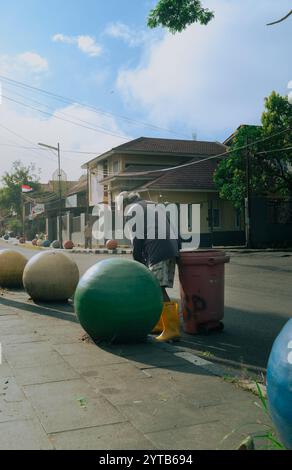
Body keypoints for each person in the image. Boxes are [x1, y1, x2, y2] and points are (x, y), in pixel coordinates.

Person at [120, 191, 180, 342]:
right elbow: (173, 228)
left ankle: (171, 331)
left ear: (124, 204)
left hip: (158, 251)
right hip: (171, 248)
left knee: (158, 289)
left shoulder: (132, 211)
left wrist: (138, 264)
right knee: (157, 288)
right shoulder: (152, 206)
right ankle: (160, 325)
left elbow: (137, 242)